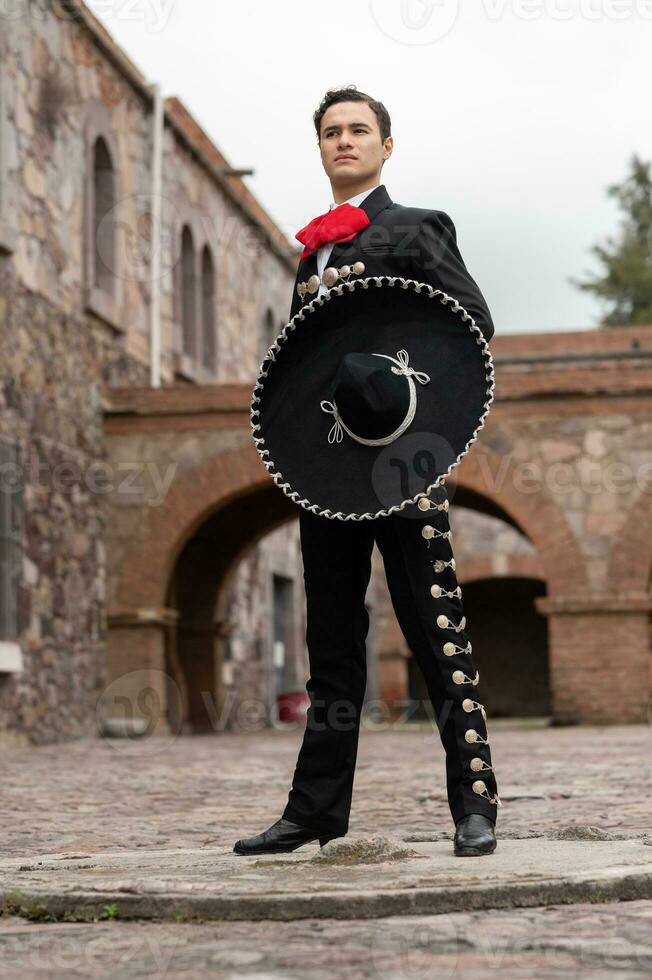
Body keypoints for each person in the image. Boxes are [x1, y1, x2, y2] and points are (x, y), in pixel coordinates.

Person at [235, 85, 500, 858]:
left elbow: (471, 325)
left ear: (387, 146)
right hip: (330, 473)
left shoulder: (417, 228)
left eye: (358, 130)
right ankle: (316, 809)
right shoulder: (309, 253)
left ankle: (474, 806)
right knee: (333, 642)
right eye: (331, 133)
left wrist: (406, 389)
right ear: (320, 149)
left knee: (435, 630)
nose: (344, 141)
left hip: (405, 464)